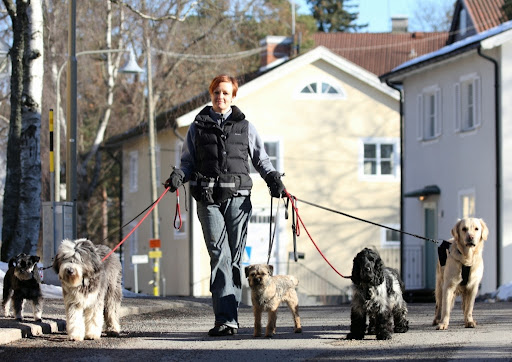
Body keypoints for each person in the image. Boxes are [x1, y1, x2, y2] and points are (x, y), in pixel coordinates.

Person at [164, 74, 285, 336]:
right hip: (207, 198)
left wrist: (273, 179)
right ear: (211, 94)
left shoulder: (246, 127)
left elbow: (261, 159)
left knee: (234, 257)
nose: (221, 97)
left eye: (226, 93)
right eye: (217, 92)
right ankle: (225, 319)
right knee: (220, 255)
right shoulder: (198, 127)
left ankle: (231, 316)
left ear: (233, 96)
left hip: (239, 199)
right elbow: (187, 162)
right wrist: (178, 176)